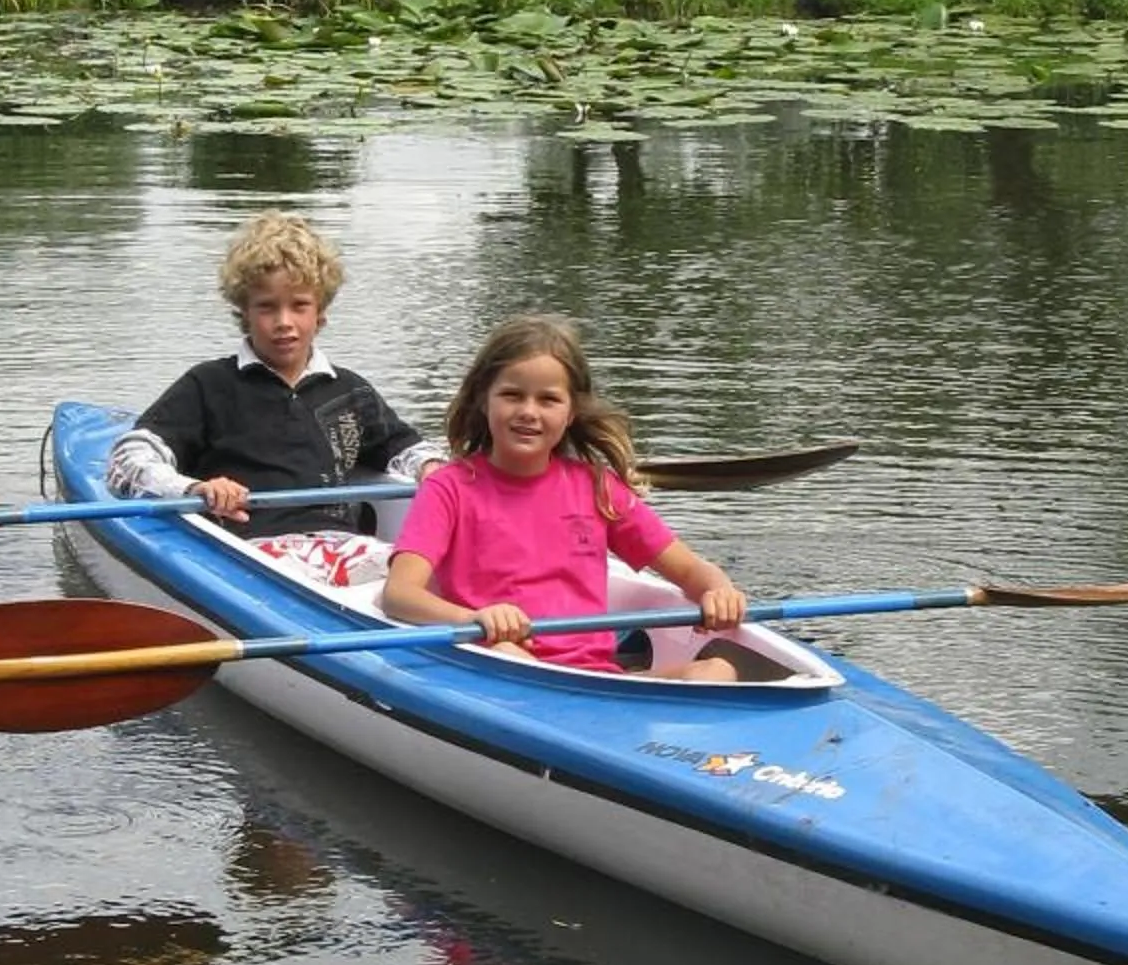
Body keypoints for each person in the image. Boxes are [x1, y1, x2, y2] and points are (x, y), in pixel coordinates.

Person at [381, 315, 748, 681]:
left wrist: (719, 590)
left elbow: (688, 570)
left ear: (571, 412)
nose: (528, 411)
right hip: (499, 663)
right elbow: (399, 594)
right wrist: (473, 619)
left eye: (548, 400)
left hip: (597, 676)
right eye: (512, 395)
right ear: (483, 400)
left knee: (717, 671)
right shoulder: (448, 489)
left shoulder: (598, 488)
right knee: (512, 654)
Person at [107, 212, 432, 531]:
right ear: (244, 313)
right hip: (249, 551)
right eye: (267, 307)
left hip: (339, 547)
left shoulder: (350, 391)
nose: (284, 323)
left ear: (320, 314)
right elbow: (129, 459)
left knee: (406, 580)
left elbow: (403, 447)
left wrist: (431, 467)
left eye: (299, 305)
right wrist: (193, 489)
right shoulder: (209, 386)